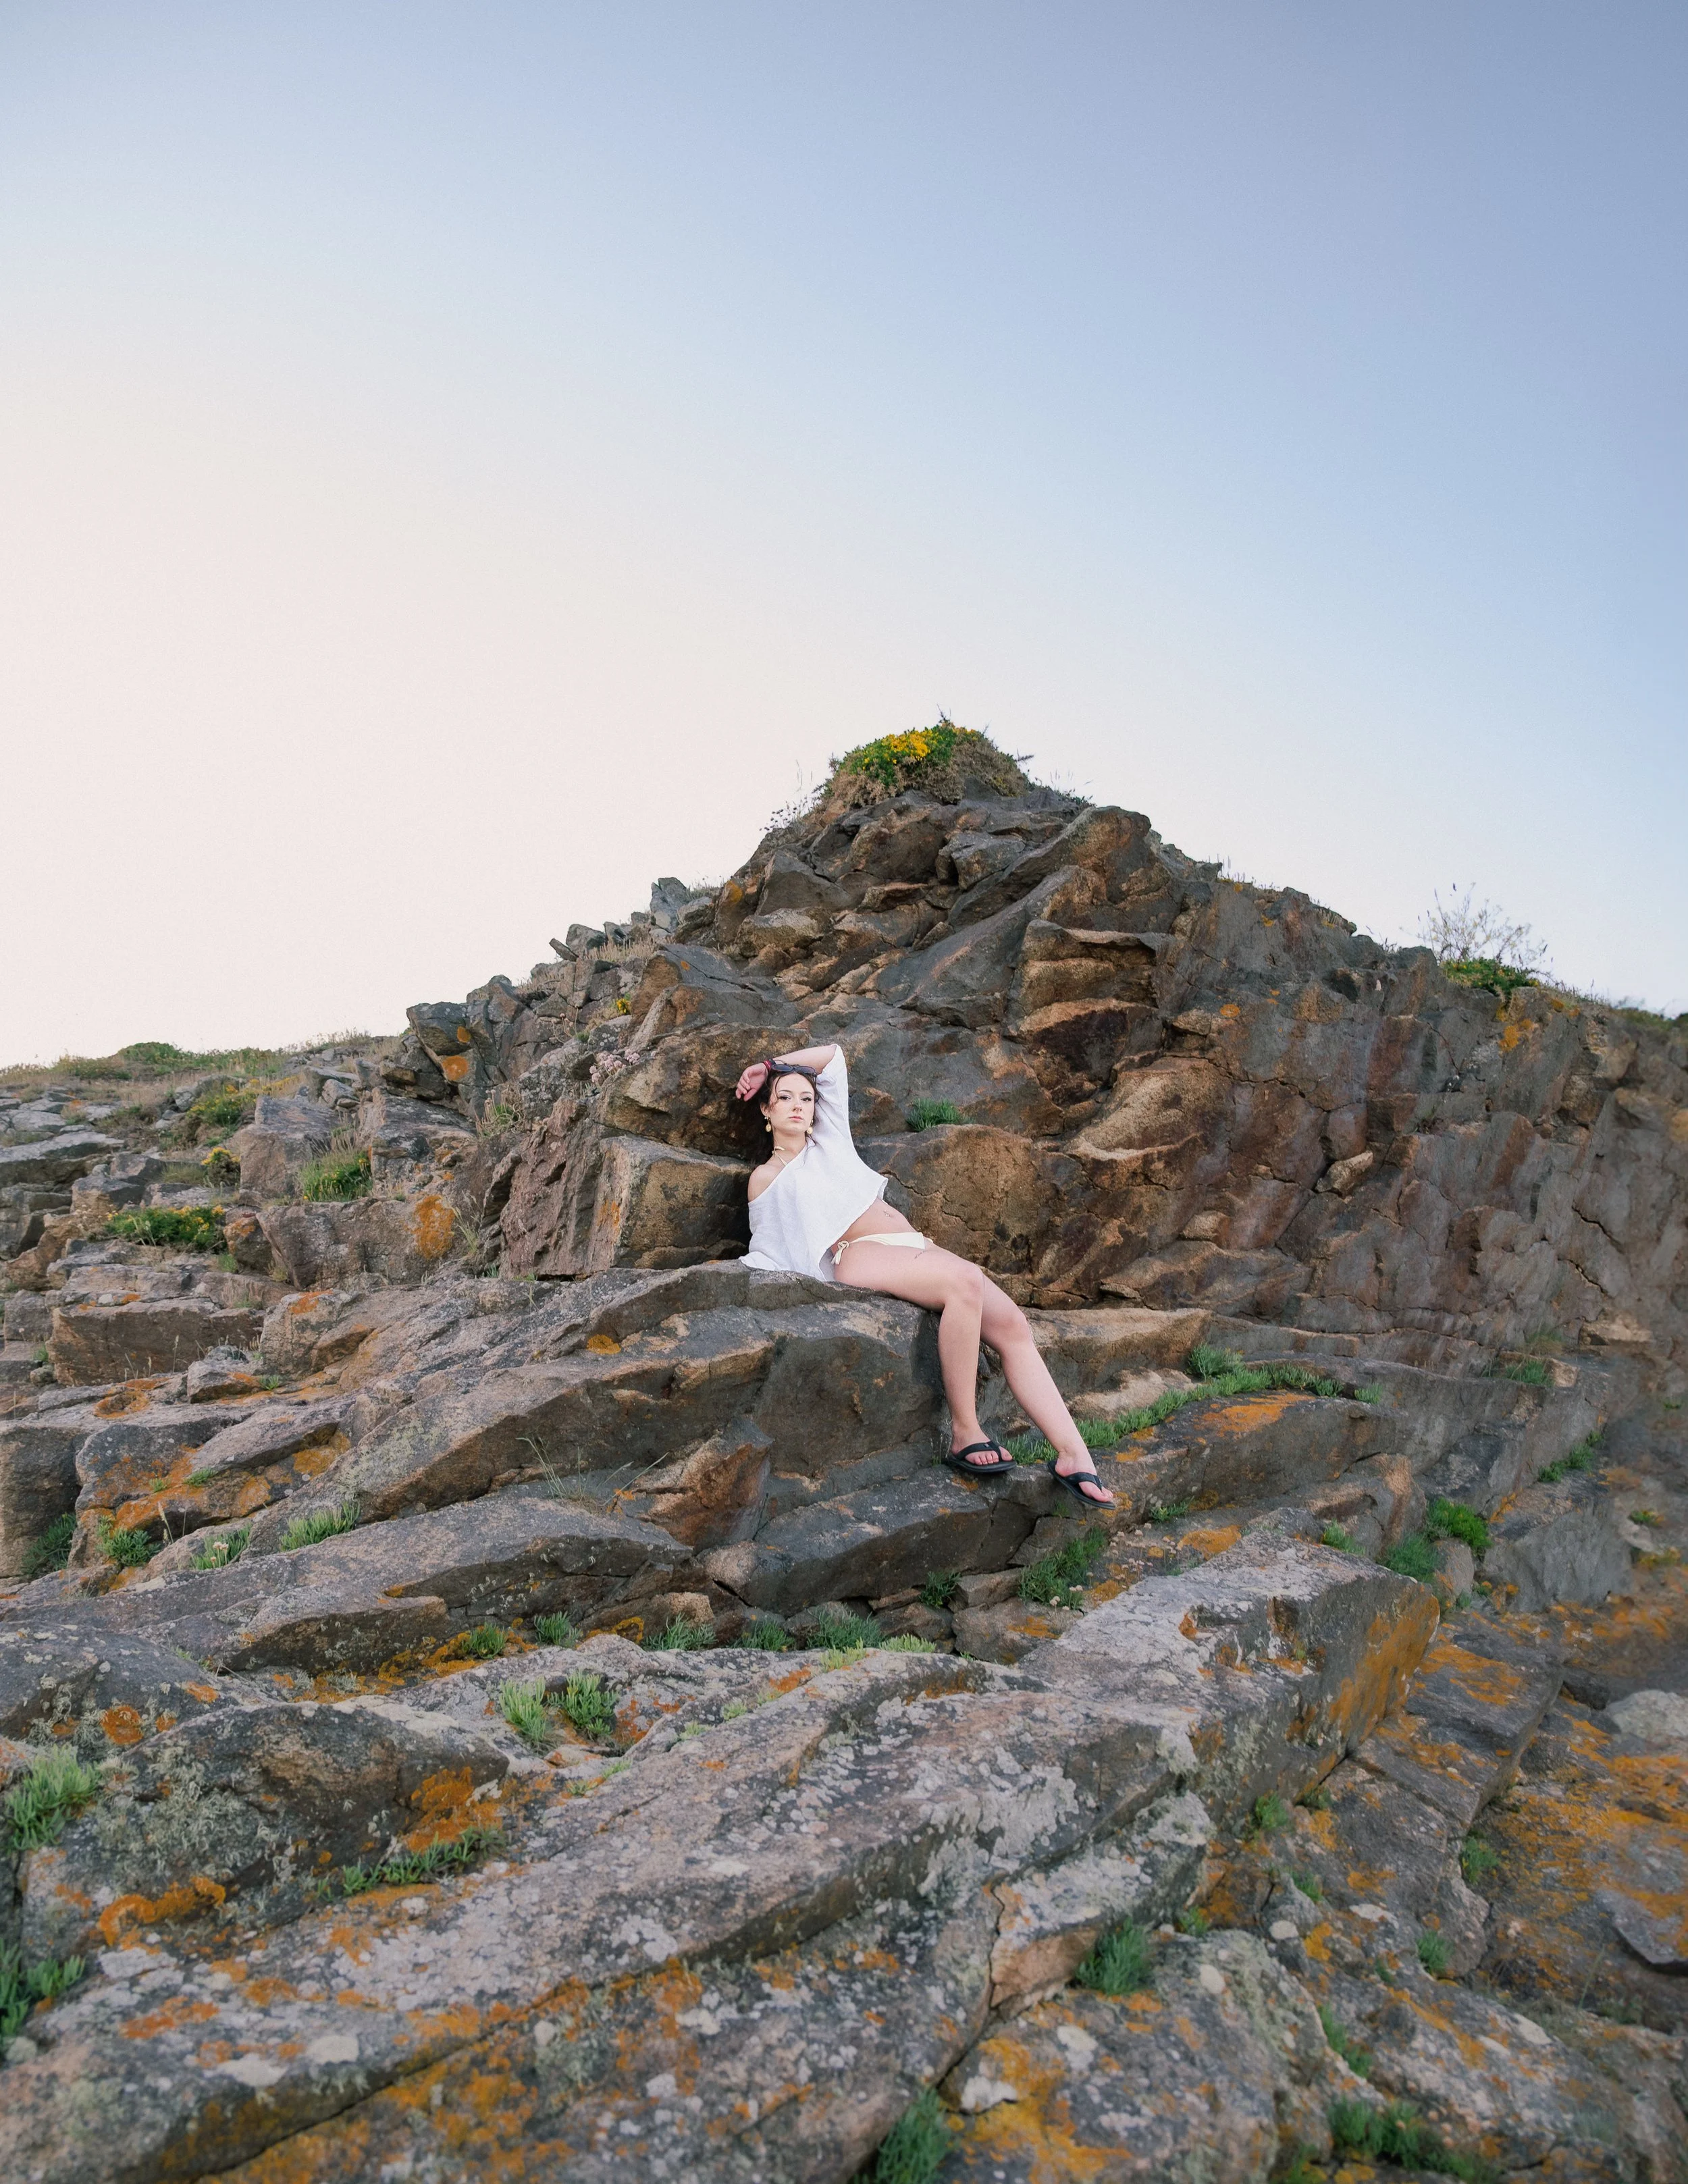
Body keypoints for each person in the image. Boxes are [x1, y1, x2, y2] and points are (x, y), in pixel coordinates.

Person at [735, 1044, 1114, 1506]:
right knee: (965, 1282)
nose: (798, 1105)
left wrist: (770, 1066)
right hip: (855, 1255)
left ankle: (1074, 1453)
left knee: (1013, 1324)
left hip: (914, 1246)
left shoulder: (830, 1141)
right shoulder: (766, 1176)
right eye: (785, 1097)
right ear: (766, 1109)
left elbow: (832, 1057)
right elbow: (774, 1247)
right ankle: (965, 1430)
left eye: (806, 1098)